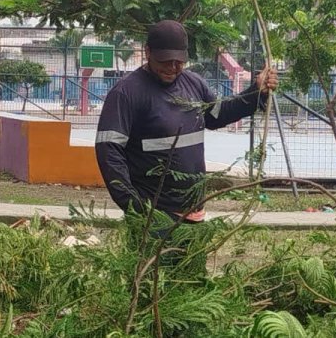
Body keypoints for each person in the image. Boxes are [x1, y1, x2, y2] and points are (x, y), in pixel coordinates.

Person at [95, 20, 278, 224]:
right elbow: (109, 152)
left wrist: (256, 92)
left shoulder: (194, 84)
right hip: (152, 216)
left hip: (194, 211)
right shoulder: (126, 93)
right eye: (165, 61)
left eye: (179, 61)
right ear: (148, 52)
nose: (172, 67)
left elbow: (219, 115)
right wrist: (134, 207)